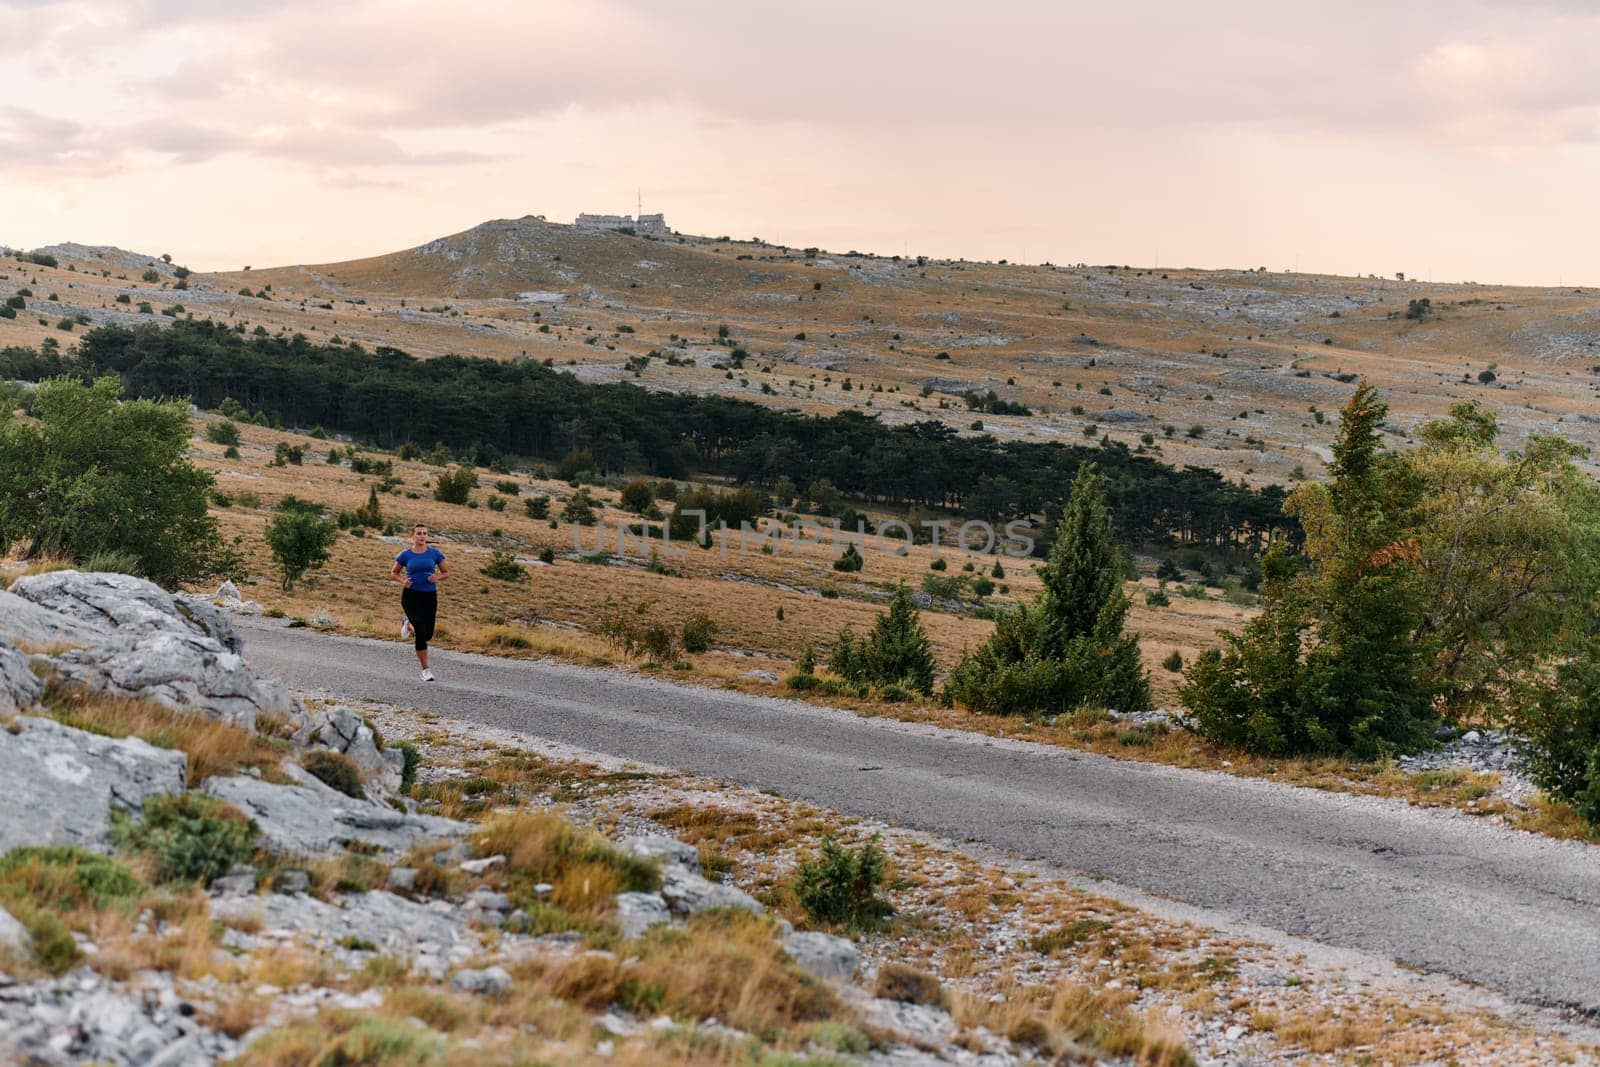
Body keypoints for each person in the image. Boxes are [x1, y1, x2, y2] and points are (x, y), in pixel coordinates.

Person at [392, 523, 448, 681]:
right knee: (421, 631)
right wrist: (403, 581)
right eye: (419, 533)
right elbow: (394, 572)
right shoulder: (405, 555)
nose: (422, 536)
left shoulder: (435, 554)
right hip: (411, 596)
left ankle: (408, 624)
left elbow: (446, 572)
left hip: (429, 597)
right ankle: (426, 670)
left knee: (428, 634)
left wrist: (437, 577)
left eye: (424, 533)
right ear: (413, 536)